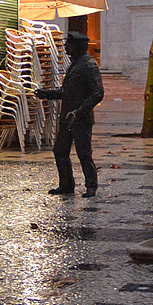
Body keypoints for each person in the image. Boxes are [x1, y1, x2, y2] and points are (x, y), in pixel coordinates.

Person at [35, 32, 104, 198]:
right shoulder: (74, 64)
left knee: (84, 153)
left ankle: (91, 186)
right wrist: (47, 94)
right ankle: (66, 185)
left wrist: (78, 112)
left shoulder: (89, 65)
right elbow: (67, 92)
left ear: (77, 46)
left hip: (80, 119)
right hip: (67, 118)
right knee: (60, 151)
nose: (65, 47)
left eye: (68, 44)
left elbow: (98, 93)